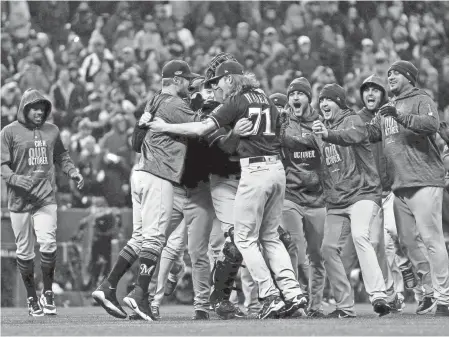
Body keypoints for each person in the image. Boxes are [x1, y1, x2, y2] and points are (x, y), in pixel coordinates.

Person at [147, 60, 307, 319]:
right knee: (270, 237)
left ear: (230, 79)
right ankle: (292, 292)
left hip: (253, 171)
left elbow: (201, 129)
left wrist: (165, 127)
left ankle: (270, 295)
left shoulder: (236, 101)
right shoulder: (264, 97)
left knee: (243, 238)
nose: (217, 87)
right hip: (274, 170)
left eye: (219, 81)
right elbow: (277, 135)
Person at [92, 60, 199, 321]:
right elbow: (203, 126)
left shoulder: (153, 101)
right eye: (186, 80)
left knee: (139, 237)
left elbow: (135, 142)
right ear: (176, 80)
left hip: (140, 172)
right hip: (158, 174)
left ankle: (108, 285)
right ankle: (139, 294)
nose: (188, 85)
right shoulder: (174, 104)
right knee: (154, 239)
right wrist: (204, 102)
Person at [365, 60, 449, 317]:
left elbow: (431, 125)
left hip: (425, 180)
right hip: (399, 186)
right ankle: (428, 291)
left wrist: (398, 115)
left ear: (409, 77)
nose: (390, 76)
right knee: (408, 242)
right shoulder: (386, 108)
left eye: (396, 73)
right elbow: (369, 134)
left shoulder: (421, 98)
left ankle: (444, 297)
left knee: (432, 239)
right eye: (388, 73)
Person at [311, 83, 393, 318]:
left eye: (329, 99)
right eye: (322, 100)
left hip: (363, 193)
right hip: (336, 201)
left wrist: (328, 135)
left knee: (360, 235)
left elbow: (352, 136)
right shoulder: (321, 129)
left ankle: (379, 294)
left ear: (340, 102)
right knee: (327, 250)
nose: (324, 103)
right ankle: (344, 306)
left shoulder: (353, 120)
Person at [1, 89, 84, 316]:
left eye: (42, 108)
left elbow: (61, 156)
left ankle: (47, 293)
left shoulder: (52, 130)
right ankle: (31, 297)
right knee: (24, 251)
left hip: (45, 197)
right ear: (24, 108)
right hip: (19, 199)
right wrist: (17, 179)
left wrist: (72, 171)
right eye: (34, 108)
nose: (39, 112)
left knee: (48, 243)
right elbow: (2, 165)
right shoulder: (8, 132)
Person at [358, 74, 428, 311]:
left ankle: (423, 292)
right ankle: (395, 295)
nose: (370, 94)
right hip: (371, 191)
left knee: (404, 240)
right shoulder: (357, 121)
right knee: (383, 247)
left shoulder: (393, 115)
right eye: (366, 90)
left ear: (383, 94)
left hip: (396, 187)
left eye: (375, 90)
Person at [277, 78, 326, 318]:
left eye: (300, 94)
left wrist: (322, 138)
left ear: (309, 98)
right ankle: (294, 299)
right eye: (292, 94)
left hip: (317, 198)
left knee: (317, 254)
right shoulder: (283, 123)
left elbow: (330, 155)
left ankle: (315, 304)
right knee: (293, 247)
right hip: (291, 196)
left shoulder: (320, 123)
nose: (295, 97)